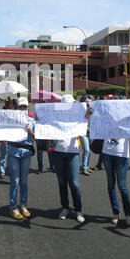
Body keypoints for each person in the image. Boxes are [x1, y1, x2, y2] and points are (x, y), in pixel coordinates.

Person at [98, 101, 130, 227]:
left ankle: (128, 214)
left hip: (122, 154)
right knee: (110, 184)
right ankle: (115, 213)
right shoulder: (105, 116)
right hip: (107, 153)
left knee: (122, 186)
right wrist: (89, 114)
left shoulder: (128, 117)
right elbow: (93, 125)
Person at [50, 95, 85, 224]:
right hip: (58, 152)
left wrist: (88, 114)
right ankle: (65, 207)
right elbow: (45, 126)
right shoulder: (56, 117)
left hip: (72, 152)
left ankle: (78, 209)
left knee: (74, 183)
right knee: (62, 182)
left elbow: (88, 122)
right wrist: (39, 119)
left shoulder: (77, 117)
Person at [7, 97, 35, 221]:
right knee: (15, 181)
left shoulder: (32, 121)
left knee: (24, 181)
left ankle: (23, 205)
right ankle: (13, 207)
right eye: (21, 107)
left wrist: (30, 131)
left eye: (25, 107)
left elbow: (36, 137)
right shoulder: (11, 120)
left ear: (28, 107)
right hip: (13, 152)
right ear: (17, 108)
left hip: (26, 153)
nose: (23, 109)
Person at [80, 96, 92, 177]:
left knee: (89, 151)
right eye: (87, 105)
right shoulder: (81, 112)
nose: (89, 107)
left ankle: (87, 166)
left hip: (90, 132)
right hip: (83, 132)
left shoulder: (92, 112)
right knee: (86, 150)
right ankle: (84, 167)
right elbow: (85, 118)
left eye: (89, 105)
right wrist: (87, 112)